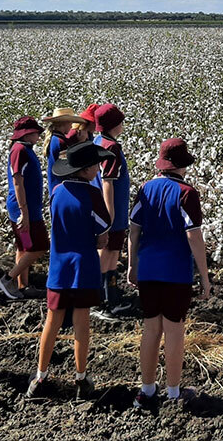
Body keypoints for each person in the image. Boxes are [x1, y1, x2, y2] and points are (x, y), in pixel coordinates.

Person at [127, 138, 211, 409]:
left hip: (148, 270)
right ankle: (174, 393)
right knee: (174, 331)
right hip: (176, 273)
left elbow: (135, 229)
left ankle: (147, 390)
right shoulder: (187, 193)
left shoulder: (146, 188)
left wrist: (132, 265)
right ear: (181, 165)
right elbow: (194, 236)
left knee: (151, 329)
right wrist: (205, 276)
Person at [26, 141, 111, 400]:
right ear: (85, 170)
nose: (98, 168)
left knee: (52, 321)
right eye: (95, 165)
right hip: (83, 266)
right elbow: (103, 230)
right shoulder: (92, 195)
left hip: (58, 268)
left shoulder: (58, 191)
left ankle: (40, 376)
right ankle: (81, 378)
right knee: (81, 322)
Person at [0, 116, 48, 300]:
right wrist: (24, 212)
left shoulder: (23, 149)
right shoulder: (19, 150)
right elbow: (18, 181)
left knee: (24, 246)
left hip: (25, 206)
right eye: (36, 133)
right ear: (27, 134)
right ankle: (8, 279)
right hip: (24, 207)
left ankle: (23, 285)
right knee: (40, 246)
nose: (38, 136)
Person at [93, 103, 131, 318]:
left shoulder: (98, 141)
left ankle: (109, 296)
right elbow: (108, 182)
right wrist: (109, 216)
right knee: (110, 253)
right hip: (113, 211)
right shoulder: (111, 147)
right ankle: (102, 301)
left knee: (107, 253)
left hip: (106, 210)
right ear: (115, 124)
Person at [42, 108, 86, 195]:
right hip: (62, 187)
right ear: (64, 123)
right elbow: (68, 166)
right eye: (70, 122)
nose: (71, 126)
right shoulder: (60, 141)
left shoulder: (54, 139)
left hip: (55, 185)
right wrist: (81, 142)